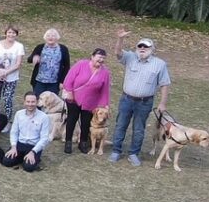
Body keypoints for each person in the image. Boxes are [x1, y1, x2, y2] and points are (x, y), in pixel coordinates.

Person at [109, 29, 171, 166]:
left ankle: (133, 153)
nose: (142, 49)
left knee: (138, 129)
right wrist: (120, 39)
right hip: (126, 99)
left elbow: (165, 84)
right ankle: (116, 150)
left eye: (146, 46)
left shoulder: (159, 64)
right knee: (120, 125)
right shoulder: (130, 57)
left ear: (152, 49)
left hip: (145, 102)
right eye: (140, 46)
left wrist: (163, 103)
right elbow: (118, 53)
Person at [61, 48, 111, 154]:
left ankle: (83, 142)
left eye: (103, 58)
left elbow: (105, 89)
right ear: (92, 57)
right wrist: (69, 91)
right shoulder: (81, 64)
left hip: (91, 101)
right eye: (99, 57)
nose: (101, 60)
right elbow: (69, 78)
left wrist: (104, 104)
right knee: (71, 119)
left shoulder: (105, 72)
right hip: (74, 98)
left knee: (86, 122)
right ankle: (68, 142)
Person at [3, 92, 53, 171]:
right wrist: (13, 147)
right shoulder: (19, 114)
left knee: (28, 167)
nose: (30, 104)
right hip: (20, 144)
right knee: (6, 162)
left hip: (33, 146)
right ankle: (22, 157)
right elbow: (14, 132)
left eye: (33, 102)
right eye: (28, 101)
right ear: (24, 102)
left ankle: (32, 158)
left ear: (37, 102)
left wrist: (33, 152)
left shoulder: (44, 117)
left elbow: (44, 138)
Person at [0, 26, 24, 127]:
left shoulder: (19, 46)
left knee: (8, 98)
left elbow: (18, 64)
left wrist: (5, 73)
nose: (11, 35)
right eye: (9, 32)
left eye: (13, 33)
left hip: (11, 77)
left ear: (16, 35)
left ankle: (7, 121)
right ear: (5, 33)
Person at [28, 29, 70, 97]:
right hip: (39, 81)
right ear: (45, 37)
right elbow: (29, 59)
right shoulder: (40, 47)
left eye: (53, 36)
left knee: (51, 103)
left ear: (57, 38)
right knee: (38, 101)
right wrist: (34, 57)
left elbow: (66, 66)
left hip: (54, 82)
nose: (50, 37)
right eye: (48, 36)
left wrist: (62, 82)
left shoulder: (63, 49)